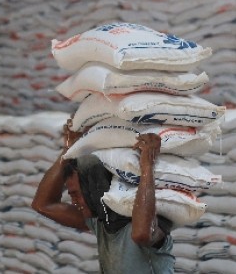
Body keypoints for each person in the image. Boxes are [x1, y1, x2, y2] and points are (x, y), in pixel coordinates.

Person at [31, 117, 175, 273]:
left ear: (94, 190)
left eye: (76, 195)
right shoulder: (101, 223)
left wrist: (147, 166)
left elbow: (141, 235)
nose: (74, 202)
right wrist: (69, 149)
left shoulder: (151, 223)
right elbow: (43, 205)